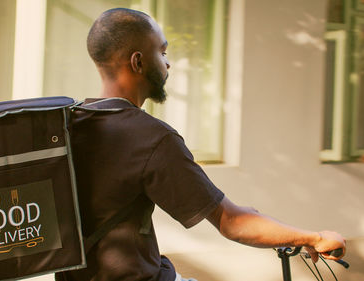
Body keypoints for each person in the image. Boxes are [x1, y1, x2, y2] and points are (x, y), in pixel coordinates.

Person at [55, 7, 346, 281]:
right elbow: (232, 223)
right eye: (162, 51)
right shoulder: (152, 138)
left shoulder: (67, 125)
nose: (168, 63)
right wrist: (315, 237)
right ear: (138, 61)